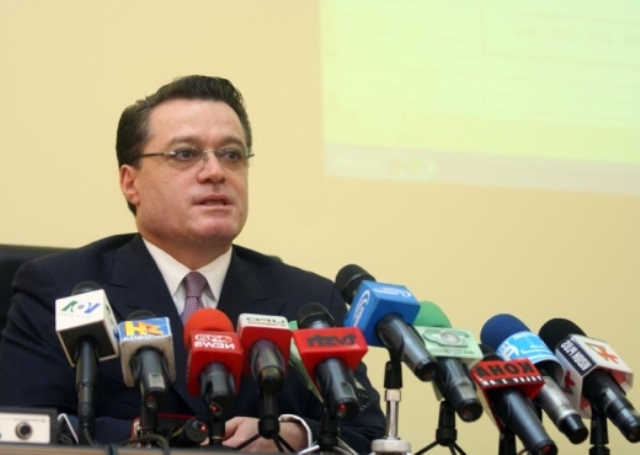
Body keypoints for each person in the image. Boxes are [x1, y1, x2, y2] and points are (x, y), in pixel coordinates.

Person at [0, 75, 386, 452]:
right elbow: (23, 426)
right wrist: (154, 435)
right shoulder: (58, 288)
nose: (215, 172)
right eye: (185, 154)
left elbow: (367, 433)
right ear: (130, 183)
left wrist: (295, 436)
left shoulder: (310, 302)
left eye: (231, 154)